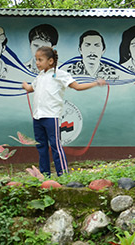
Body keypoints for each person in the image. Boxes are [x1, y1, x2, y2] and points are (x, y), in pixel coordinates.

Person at [21, 46, 106, 176]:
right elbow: (32, 88)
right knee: (41, 146)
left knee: (55, 146)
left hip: (51, 117)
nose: (37, 63)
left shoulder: (60, 75)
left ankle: (63, 174)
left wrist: (95, 83)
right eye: (36, 60)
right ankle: (44, 174)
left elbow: (77, 86)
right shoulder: (40, 76)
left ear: (50, 61)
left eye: (40, 60)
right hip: (37, 117)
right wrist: (26, 86)